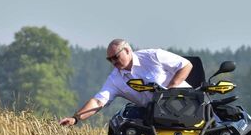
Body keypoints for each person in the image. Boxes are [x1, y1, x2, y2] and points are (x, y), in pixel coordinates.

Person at [59, 39, 192, 126]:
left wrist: (171, 89)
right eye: (109, 60)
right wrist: (75, 118)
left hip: (188, 106)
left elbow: (186, 65)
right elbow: (98, 101)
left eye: (115, 57)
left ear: (127, 50)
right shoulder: (115, 79)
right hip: (156, 118)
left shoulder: (153, 56)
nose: (113, 62)